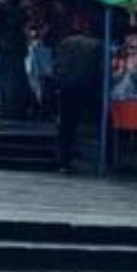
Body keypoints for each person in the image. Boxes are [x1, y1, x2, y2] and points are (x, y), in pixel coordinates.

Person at [49, 23, 103, 171]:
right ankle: (73, 156)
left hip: (65, 86)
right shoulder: (97, 45)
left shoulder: (66, 42)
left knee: (65, 122)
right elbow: (100, 71)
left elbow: (56, 64)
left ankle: (62, 157)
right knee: (80, 121)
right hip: (85, 87)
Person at [0, 0, 32, 120]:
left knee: (6, 78)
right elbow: (22, 19)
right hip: (10, 46)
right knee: (12, 78)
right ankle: (13, 110)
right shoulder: (9, 8)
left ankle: (8, 109)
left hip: (4, 46)